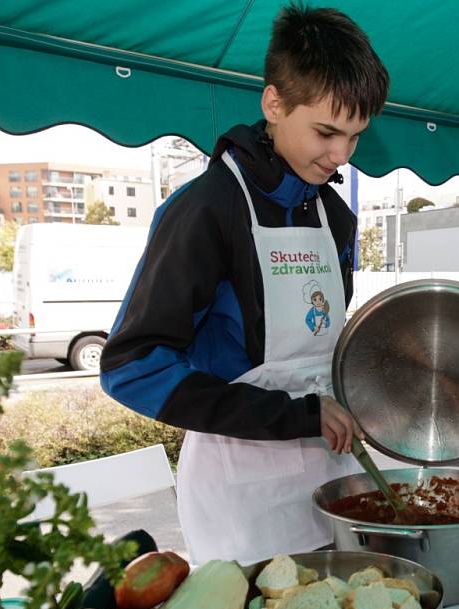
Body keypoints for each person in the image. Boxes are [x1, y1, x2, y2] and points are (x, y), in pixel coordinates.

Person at [99, 2, 389, 566]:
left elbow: (318, 349)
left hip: (332, 477)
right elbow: (133, 367)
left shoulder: (336, 217)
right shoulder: (206, 210)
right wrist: (295, 415)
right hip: (242, 495)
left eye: (355, 137)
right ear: (274, 103)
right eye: (327, 133)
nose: (340, 158)